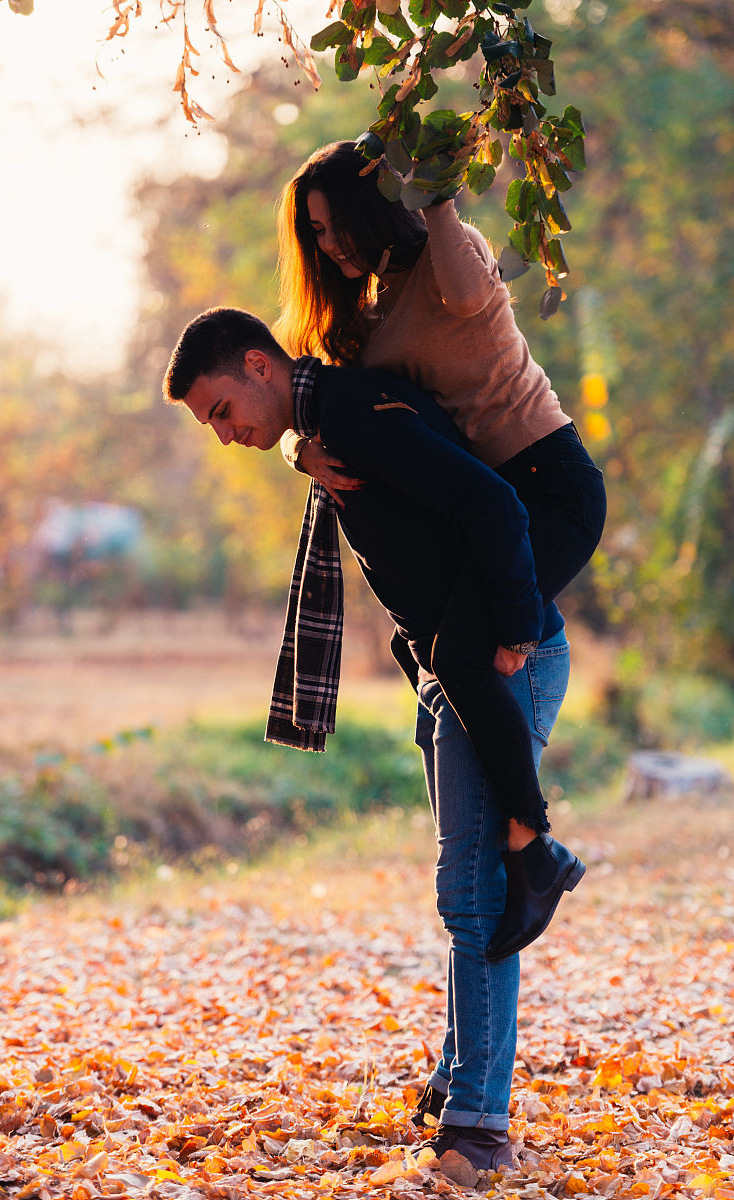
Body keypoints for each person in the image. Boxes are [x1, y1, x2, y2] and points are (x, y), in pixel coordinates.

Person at [162, 306, 579, 1173]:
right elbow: (328, 437)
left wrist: (507, 630)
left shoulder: (347, 410)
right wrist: (290, 448)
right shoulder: (321, 424)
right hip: (447, 668)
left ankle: (477, 1121)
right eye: (211, 425)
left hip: (501, 660)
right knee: (464, 891)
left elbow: (490, 502)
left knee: (471, 894)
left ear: (258, 365)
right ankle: (461, 1075)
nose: (224, 433)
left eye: (220, 411)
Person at [274, 140, 606, 963]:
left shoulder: (451, 256)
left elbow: (455, 268)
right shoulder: (369, 313)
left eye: (332, 223)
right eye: (312, 234)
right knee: (430, 646)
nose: (327, 245)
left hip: (549, 485)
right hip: (490, 507)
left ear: (370, 203)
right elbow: (310, 397)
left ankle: (534, 848)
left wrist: (432, 190)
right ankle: (519, 841)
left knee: (462, 647)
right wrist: (295, 451)